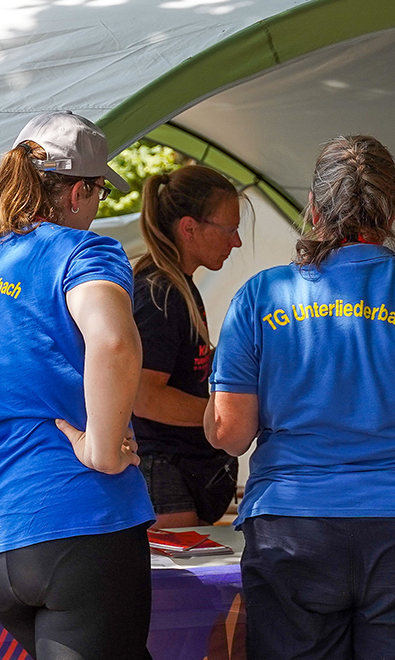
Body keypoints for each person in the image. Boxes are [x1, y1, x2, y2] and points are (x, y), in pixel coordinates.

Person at [206, 135, 395, 660]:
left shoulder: (262, 293)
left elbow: (230, 434)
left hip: (295, 529)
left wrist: (215, 395)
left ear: (314, 209)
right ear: (393, 211)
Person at [0, 111, 155, 660]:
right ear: (78, 193)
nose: (96, 210)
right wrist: (103, 447)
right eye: (97, 194)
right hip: (80, 526)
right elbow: (114, 341)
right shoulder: (81, 253)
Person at [130, 165, 243, 528]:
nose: (236, 242)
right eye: (229, 229)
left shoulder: (177, 286)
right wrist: (226, 415)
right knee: (181, 584)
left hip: (175, 471)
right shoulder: (159, 293)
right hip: (160, 471)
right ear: (189, 228)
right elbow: (144, 396)